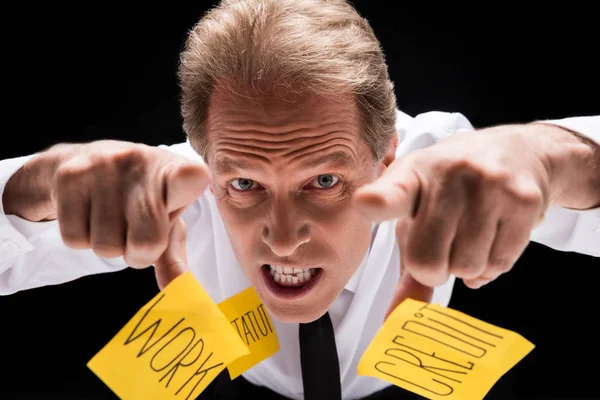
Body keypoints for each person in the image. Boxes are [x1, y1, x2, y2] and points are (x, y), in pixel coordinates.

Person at [0, 0, 598, 399]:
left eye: (324, 181)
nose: (283, 238)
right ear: (205, 162)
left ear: (387, 154)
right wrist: (40, 183)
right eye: (245, 185)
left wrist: (550, 157)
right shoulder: (172, 194)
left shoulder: (441, 174)